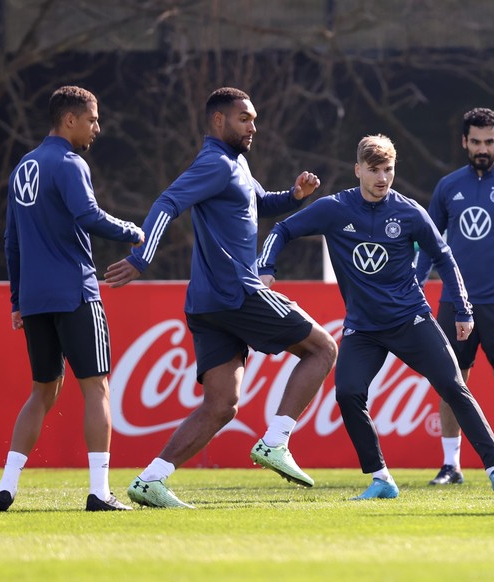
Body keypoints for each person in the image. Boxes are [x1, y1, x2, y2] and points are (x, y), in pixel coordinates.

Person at [104, 87, 337, 509]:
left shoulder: (237, 164)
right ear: (218, 121)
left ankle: (151, 480)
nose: (253, 127)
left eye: (254, 118)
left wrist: (294, 196)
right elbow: (167, 203)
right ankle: (276, 441)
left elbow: (257, 203)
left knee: (221, 405)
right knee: (323, 348)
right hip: (236, 292)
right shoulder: (214, 162)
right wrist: (141, 258)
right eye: (245, 119)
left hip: (207, 305)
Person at [257, 134, 494, 500]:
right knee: (348, 394)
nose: (383, 178)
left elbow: (444, 257)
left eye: (388, 170)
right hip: (364, 329)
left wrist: (463, 308)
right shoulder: (335, 209)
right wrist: (266, 265)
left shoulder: (410, 212)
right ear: (358, 170)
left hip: (411, 320)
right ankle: (381, 479)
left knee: (454, 387)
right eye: (375, 170)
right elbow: (283, 229)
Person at [0, 86, 145, 512]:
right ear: (69, 120)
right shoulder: (70, 162)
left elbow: (11, 240)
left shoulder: (23, 166)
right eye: (92, 119)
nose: (97, 127)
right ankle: (99, 492)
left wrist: (17, 299)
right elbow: (89, 216)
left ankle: (6, 486)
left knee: (42, 390)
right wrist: (133, 231)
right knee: (97, 388)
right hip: (75, 291)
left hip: (36, 298)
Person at [415, 108, 494, 487]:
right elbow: (428, 242)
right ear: (464, 142)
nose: (482, 148)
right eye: (476, 141)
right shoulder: (447, 187)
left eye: (489, 141)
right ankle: (450, 465)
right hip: (455, 302)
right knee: (453, 381)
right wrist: (415, 283)